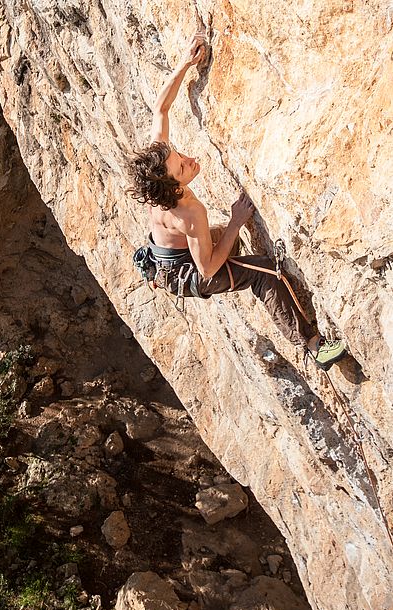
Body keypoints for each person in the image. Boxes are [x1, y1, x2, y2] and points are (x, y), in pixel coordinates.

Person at [128, 33, 346, 371]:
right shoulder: (188, 213)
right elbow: (207, 269)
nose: (188, 158)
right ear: (172, 187)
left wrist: (186, 62)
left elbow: (161, 107)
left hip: (169, 257)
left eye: (179, 155)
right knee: (265, 273)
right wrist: (235, 221)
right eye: (183, 166)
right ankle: (313, 345)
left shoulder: (159, 166)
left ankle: (235, 255)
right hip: (191, 272)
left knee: (230, 246)